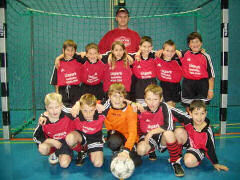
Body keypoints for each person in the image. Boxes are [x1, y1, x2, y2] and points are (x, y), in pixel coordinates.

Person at [136, 84, 184, 177]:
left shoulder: (165, 107)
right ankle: (151, 149)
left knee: (169, 133)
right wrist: (133, 104)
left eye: (155, 99)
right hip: (148, 138)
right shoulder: (141, 109)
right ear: (144, 99)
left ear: (161, 99)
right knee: (141, 150)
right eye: (149, 99)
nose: (152, 103)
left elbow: (168, 126)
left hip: (162, 138)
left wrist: (151, 132)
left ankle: (175, 162)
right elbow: (123, 104)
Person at [170, 100, 229, 172]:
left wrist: (215, 163)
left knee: (188, 162)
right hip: (189, 142)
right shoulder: (188, 119)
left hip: (198, 148)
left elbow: (211, 149)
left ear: (206, 113)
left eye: (202, 113)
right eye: (196, 114)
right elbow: (175, 112)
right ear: (190, 113)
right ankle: (178, 155)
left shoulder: (208, 131)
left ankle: (197, 157)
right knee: (178, 131)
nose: (199, 117)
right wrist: (160, 104)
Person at [33, 92, 80, 168]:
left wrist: (78, 104)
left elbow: (84, 109)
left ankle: (67, 153)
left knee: (64, 165)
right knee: (42, 148)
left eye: (57, 107)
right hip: (52, 143)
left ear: (61, 106)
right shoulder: (44, 120)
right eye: (51, 108)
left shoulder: (68, 113)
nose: (54, 111)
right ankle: (55, 153)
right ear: (46, 107)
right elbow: (36, 137)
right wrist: (51, 141)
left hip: (66, 143)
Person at [65, 93, 105, 167]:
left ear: (95, 108)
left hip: (95, 138)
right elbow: (59, 107)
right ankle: (81, 151)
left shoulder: (101, 112)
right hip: (81, 136)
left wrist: (132, 103)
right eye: (85, 111)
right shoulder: (75, 112)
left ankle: (90, 150)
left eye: (91, 110)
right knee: (70, 139)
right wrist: (44, 116)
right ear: (80, 109)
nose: (88, 114)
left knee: (98, 164)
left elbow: (115, 101)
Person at [180, 32, 215, 109]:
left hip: (202, 85)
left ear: (201, 43)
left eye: (197, 41)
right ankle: (190, 121)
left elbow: (211, 76)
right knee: (189, 109)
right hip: (188, 85)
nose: (195, 44)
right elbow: (172, 52)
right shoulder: (184, 54)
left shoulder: (206, 56)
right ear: (189, 45)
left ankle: (201, 121)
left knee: (201, 109)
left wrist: (211, 90)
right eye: (192, 42)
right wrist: (161, 51)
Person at [50, 40, 82, 110]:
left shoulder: (79, 61)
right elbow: (56, 82)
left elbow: (86, 54)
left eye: (72, 50)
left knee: (76, 111)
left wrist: (58, 57)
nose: (70, 53)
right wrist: (58, 96)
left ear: (75, 51)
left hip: (76, 91)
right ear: (63, 50)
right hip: (63, 91)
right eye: (67, 50)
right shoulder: (58, 63)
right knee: (63, 112)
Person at [155, 40, 182, 107]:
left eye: (172, 51)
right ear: (163, 50)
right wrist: (138, 53)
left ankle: (171, 117)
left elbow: (189, 52)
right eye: (167, 50)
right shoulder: (157, 60)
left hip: (176, 86)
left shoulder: (177, 61)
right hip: (164, 86)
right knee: (168, 106)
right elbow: (146, 51)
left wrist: (177, 51)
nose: (169, 53)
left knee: (173, 106)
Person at [131, 36, 157, 104]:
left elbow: (166, 51)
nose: (146, 49)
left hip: (152, 88)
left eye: (149, 47)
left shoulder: (155, 56)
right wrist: (138, 53)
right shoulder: (134, 57)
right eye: (144, 46)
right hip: (139, 89)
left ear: (152, 47)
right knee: (140, 109)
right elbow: (124, 55)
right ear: (140, 47)